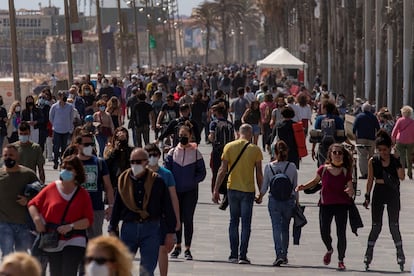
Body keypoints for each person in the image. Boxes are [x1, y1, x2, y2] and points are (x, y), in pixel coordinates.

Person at [108, 148, 176, 276]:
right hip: (129, 228)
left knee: (147, 270)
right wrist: (112, 227)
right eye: (132, 161)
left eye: (138, 161)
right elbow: (117, 206)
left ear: (146, 162)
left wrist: (170, 232)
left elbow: (167, 207)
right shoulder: (123, 180)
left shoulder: (157, 181)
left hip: (151, 229)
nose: (135, 165)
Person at [28, 155, 94, 276]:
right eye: (63, 167)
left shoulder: (82, 194)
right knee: (56, 272)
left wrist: (71, 226)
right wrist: (37, 220)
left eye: (69, 168)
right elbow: (32, 204)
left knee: (69, 270)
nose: (65, 171)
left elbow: (88, 220)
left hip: (74, 239)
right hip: (53, 239)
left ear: (76, 172)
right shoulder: (51, 188)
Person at [296, 143, 354, 270]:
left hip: (341, 205)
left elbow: (350, 186)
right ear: (330, 154)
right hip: (325, 205)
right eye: (335, 152)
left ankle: (341, 260)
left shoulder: (345, 171)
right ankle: (329, 249)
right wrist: (302, 187)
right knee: (324, 231)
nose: (337, 155)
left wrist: (350, 190)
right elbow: (314, 181)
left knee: (341, 233)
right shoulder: (323, 169)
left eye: (340, 153)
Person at [212, 124, 263, 264]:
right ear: (250, 134)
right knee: (246, 223)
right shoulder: (255, 149)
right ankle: (243, 255)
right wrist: (261, 192)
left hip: (232, 189)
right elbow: (259, 173)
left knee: (233, 221)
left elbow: (222, 170)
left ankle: (233, 254)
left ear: (238, 133)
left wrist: (216, 189)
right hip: (248, 190)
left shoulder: (229, 146)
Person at [363, 130, 406, 270]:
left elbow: (402, 176)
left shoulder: (394, 160)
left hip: (392, 193)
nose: (383, 152)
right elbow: (370, 180)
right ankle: (368, 254)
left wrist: (398, 161)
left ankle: (400, 254)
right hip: (379, 193)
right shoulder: (373, 161)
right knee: (376, 226)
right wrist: (367, 195)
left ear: (390, 148)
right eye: (380, 150)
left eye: (385, 150)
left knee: (394, 225)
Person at [165, 124, 206, 260]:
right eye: (181, 135)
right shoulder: (171, 152)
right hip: (175, 191)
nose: (183, 138)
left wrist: (193, 181)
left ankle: (187, 248)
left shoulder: (196, 153)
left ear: (190, 136)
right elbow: (167, 170)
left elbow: (202, 172)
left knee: (188, 218)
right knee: (177, 218)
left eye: (185, 135)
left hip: (190, 191)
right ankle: (177, 246)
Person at [256, 140, 298, 266]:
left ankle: (278, 254)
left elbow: (264, 187)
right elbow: (295, 187)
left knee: (276, 227)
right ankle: (284, 255)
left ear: (274, 152)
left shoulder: (269, 167)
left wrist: (260, 197)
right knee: (285, 228)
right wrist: (297, 203)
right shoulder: (292, 167)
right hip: (288, 200)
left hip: (274, 200)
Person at [144, 143, 180, 276]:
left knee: (162, 249)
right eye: (149, 155)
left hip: (163, 217)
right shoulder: (140, 173)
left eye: (155, 155)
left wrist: (177, 219)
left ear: (159, 156)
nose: (152, 158)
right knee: (148, 250)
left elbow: (173, 197)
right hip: (145, 218)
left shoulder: (167, 174)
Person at [0, 144, 38, 257]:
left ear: (17, 156)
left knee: (22, 257)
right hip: (3, 223)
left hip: (24, 224)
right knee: (7, 255)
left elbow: (40, 194)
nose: (8, 158)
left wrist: (28, 200)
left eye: (11, 155)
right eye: (5, 155)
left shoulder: (28, 174)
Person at [76, 132, 114, 238]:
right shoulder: (72, 163)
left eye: (91, 144)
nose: (89, 147)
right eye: (86, 144)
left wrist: (111, 206)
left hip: (96, 208)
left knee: (95, 242)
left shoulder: (99, 162)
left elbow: (108, 186)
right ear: (78, 145)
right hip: (76, 209)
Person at [352, 102, 380, 179]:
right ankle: (371, 173)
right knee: (371, 156)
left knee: (362, 156)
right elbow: (378, 128)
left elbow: (354, 129)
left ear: (362, 109)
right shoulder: (373, 117)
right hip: (371, 139)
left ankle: (364, 173)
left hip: (361, 139)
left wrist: (355, 138)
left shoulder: (359, 117)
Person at [49, 90, 74, 169]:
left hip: (66, 130)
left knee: (64, 147)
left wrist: (70, 127)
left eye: (64, 95)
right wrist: (55, 124)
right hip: (57, 130)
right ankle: (55, 161)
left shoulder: (70, 107)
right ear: (59, 97)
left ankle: (63, 162)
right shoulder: (54, 106)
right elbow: (51, 117)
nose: (63, 97)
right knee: (56, 147)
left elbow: (71, 117)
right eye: (61, 95)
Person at [391, 105, 414, 180]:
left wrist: (393, 140)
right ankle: (410, 172)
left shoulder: (400, 120)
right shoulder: (412, 122)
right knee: (409, 157)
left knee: (401, 157)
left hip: (400, 140)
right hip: (410, 141)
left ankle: (402, 172)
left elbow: (394, 131)